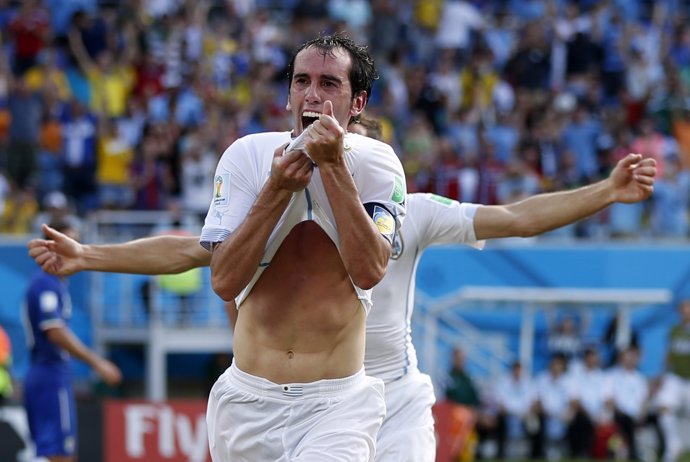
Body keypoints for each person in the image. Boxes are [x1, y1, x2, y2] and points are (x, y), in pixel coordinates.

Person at [28, 113, 657, 461]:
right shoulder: (284, 206)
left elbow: (517, 218)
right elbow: (193, 251)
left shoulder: (414, 211)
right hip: (305, 401)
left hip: (392, 400)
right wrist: (90, 255)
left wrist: (605, 191)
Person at [23, 220, 122, 462]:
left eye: (75, 241)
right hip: (49, 375)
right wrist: (97, 362)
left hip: (46, 374)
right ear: (49, 248)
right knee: (61, 454)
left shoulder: (52, 283)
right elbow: (54, 331)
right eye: (65, 242)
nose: (72, 247)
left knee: (52, 452)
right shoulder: (47, 283)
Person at [655, 299, 690, 462]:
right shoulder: (674, 330)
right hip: (675, 378)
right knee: (663, 406)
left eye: (687, 307)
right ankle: (672, 445)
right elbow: (668, 355)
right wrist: (660, 375)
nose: (685, 311)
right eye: (682, 308)